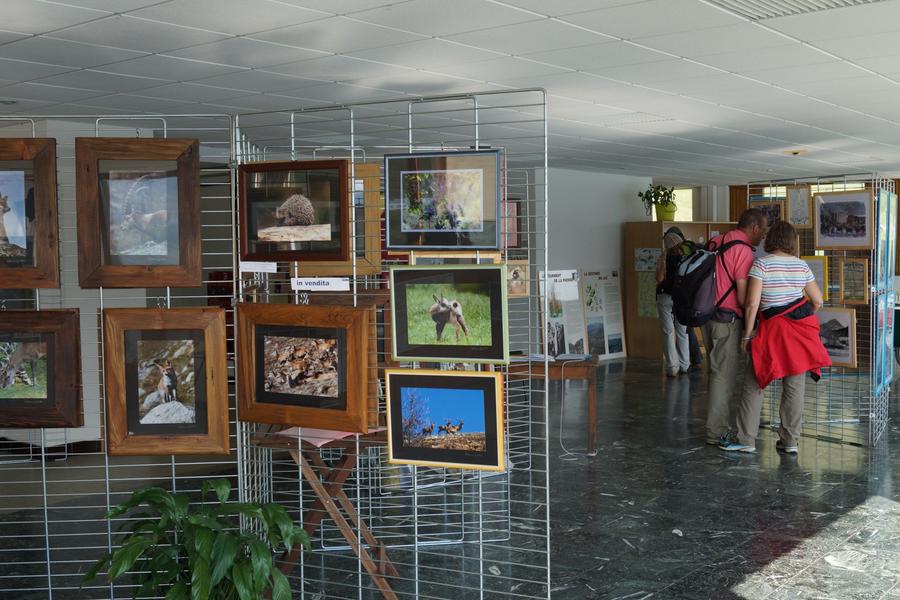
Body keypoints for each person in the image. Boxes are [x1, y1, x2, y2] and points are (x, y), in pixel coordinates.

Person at [720, 220, 830, 453]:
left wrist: (747, 335)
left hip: (771, 333)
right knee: (794, 386)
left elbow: (752, 304)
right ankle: (790, 441)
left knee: (755, 383)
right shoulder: (802, 266)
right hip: (799, 335)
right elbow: (818, 301)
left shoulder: (762, 265)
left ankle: (745, 439)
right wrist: (799, 315)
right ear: (792, 241)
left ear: (771, 239)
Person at [703, 209, 768, 445]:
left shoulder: (716, 241)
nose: (763, 237)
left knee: (715, 371)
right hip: (727, 322)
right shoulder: (742, 251)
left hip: (707, 317)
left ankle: (715, 424)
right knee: (723, 376)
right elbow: (742, 298)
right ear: (754, 228)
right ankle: (716, 431)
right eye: (763, 231)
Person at [656, 227, 689, 377]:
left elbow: (659, 279)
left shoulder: (664, 256)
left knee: (668, 332)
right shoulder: (687, 257)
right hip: (682, 298)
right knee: (682, 331)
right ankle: (684, 365)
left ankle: (672, 367)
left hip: (665, 296)